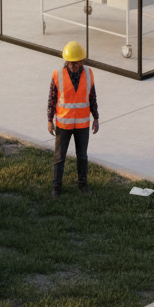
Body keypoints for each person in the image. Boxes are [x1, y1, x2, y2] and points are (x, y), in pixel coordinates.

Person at [47, 41, 99, 197]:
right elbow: (52, 98)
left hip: (82, 124)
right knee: (59, 158)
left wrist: (96, 117)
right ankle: (56, 188)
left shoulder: (89, 74)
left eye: (76, 63)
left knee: (82, 156)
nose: (73, 66)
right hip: (63, 124)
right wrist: (50, 120)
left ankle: (83, 186)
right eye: (71, 63)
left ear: (82, 61)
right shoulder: (57, 75)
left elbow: (92, 97)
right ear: (66, 62)